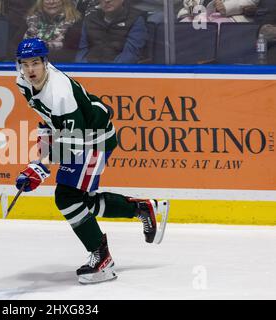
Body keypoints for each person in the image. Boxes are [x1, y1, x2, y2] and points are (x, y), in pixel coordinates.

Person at [14, 38, 169, 284]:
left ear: (45, 62)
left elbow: (75, 140)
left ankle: (103, 259)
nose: (30, 69)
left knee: (68, 198)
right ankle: (141, 209)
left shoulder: (61, 92)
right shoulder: (23, 81)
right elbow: (48, 119)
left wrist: (41, 168)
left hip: (93, 138)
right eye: (25, 64)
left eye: (35, 63)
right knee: (79, 199)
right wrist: (39, 160)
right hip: (79, 136)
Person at [75, 0, 148, 63]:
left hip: (118, 73)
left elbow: (131, 53)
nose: (106, 1)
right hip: (88, 71)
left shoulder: (135, 19)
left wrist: (109, 72)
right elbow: (82, 50)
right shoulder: (90, 19)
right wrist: (84, 69)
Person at [177, 0, 260, 23]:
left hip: (228, 18)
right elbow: (189, 2)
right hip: (196, 17)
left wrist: (226, 7)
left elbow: (252, 1)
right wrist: (192, 7)